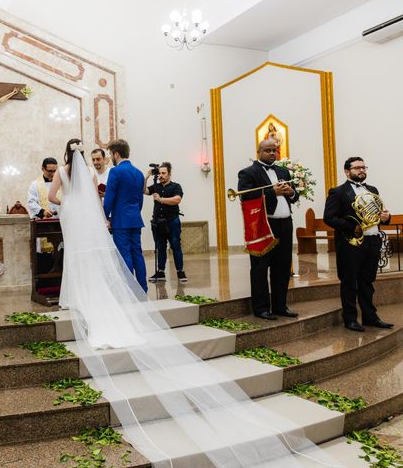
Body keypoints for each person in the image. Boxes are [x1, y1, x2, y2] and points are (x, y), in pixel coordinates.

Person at [45, 143, 339, 468]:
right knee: (130, 260)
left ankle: (83, 297)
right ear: (88, 156)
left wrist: (78, 206)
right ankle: (139, 290)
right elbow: (125, 195)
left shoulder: (81, 172)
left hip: (80, 219)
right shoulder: (98, 172)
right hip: (124, 219)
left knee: (85, 260)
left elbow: (59, 198)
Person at [323, 157, 393, 332]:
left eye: (363, 167)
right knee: (349, 282)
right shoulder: (337, 192)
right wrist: (352, 227)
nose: (361, 170)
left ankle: (370, 317)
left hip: (372, 241)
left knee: (367, 282)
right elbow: (329, 218)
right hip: (350, 243)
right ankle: (350, 319)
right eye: (357, 168)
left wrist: (386, 218)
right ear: (347, 171)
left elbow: (378, 214)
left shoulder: (372, 189)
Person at [238, 138, 299, 320]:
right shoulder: (248, 173)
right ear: (259, 152)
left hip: (285, 224)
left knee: (282, 267)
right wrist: (273, 192)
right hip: (264, 225)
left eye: (275, 150)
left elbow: (293, 196)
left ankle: (280, 306)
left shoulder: (283, 171)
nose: (272, 153)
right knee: (260, 268)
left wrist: (291, 192)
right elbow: (246, 197)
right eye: (268, 150)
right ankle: (261, 308)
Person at [103, 139, 148, 292]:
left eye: (111, 154)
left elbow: (109, 197)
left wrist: (104, 216)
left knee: (124, 255)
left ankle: (128, 290)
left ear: (116, 154)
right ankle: (142, 288)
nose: (111, 158)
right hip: (135, 219)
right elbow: (140, 199)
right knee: (137, 253)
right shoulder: (139, 173)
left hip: (120, 221)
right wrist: (134, 213)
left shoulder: (115, 172)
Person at [144, 162, 186, 283]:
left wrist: (160, 199)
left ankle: (180, 272)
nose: (161, 175)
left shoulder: (176, 186)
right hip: (158, 222)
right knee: (160, 247)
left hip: (172, 221)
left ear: (169, 174)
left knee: (175, 245)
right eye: (160, 173)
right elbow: (144, 191)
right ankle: (160, 272)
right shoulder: (156, 186)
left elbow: (177, 200)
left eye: (164, 173)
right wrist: (146, 178)